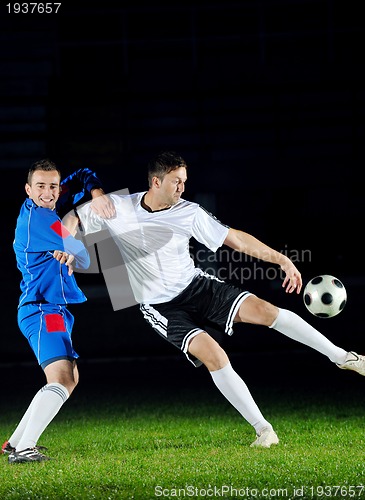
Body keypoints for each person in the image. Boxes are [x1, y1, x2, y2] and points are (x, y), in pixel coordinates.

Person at [75, 151, 365, 448]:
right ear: (156, 181)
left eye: (184, 181)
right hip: (161, 306)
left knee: (266, 311)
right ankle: (264, 430)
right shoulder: (117, 207)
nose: (182, 188)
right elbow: (71, 221)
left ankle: (343, 357)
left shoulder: (189, 211)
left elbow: (236, 239)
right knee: (214, 355)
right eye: (176, 182)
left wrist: (283, 261)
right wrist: (68, 249)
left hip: (197, 286)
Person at [2, 159, 115, 463]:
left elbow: (83, 174)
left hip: (52, 309)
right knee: (62, 378)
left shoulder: (50, 202)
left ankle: (15, 443)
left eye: (53, 186)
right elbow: (84, 258)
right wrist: (74, 224)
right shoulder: (39, 219)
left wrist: (95, 191)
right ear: (28, 190)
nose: (49, 192)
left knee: (69, 376)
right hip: (41, 310)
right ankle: (25, 450)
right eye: (40, 186)